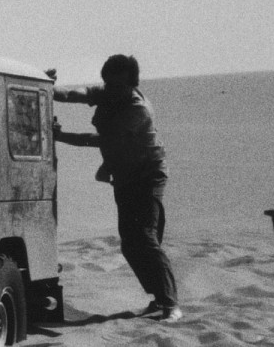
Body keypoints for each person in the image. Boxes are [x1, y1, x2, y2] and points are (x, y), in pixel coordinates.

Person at [53, 54, 181, 321]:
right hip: (124, 174)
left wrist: (61, 136)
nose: (110, 89)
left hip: (147, 175)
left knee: (145, 238)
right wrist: (50, 90)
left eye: (117, 84)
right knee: (129, 244)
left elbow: (101, 140)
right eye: (107, 83)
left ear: (131, 84)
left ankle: (171, 304)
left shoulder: (138, 109)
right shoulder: (110, 91)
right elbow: (80, 93)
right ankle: (158, 298)